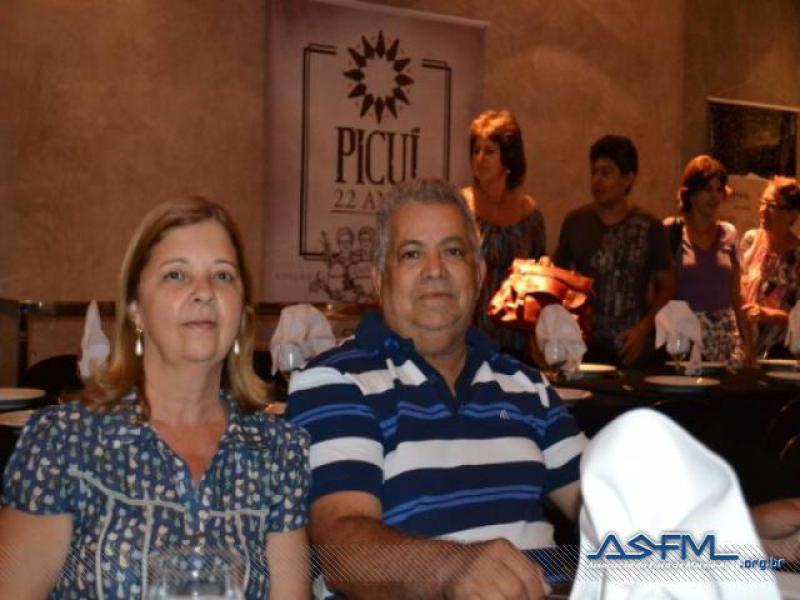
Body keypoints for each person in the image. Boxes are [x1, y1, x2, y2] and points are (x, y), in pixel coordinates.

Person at [288, 179, 586, 599]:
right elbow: (341, 550)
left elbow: (607, 505)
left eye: (453, 251)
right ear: (379, 279)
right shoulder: (335, 381)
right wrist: (453, 569)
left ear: (478, 274)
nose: (435, 270)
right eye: (412, 254)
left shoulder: (528, 386)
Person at [0, 198, 311, 599]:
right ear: (136, 311)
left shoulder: (277, 450)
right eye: (176, 275)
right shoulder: (65, 442)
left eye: (222, 276)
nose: (204, 292)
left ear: (242, 312)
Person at [554, 134, 675, 366]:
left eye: (606, 173)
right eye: (594, 172)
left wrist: (644, 328)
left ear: (628, 178)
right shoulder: (576, 223)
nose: (597, 181)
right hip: (584, 347)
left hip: (632, 346)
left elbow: (667, 285)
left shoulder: (649, 226)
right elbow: (558, 279)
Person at [461, 109, 546, 361]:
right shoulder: (460, 206)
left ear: (508, 157)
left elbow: (539, 278)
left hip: (516, 338)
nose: (480, 158)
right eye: (476, 150)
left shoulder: (529, 213)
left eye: (489, 151)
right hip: (469, 337)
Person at [663, 155, 751, 364]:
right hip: (685, 336)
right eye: (707, 189)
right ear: (691, 193)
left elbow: (736, 294)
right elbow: (660, 292)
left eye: (719, 189)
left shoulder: (729, 233)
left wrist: (748, 342)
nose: (714, 196)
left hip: (725, 337)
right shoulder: (672, 231)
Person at [741, 176, 800, 357]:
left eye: (772, 206)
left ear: (792, 214)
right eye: (762, 203)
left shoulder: (797, 257)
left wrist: (768, 315)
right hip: (744, 346)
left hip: (781, 352)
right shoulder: (750, 241)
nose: (763, 210)